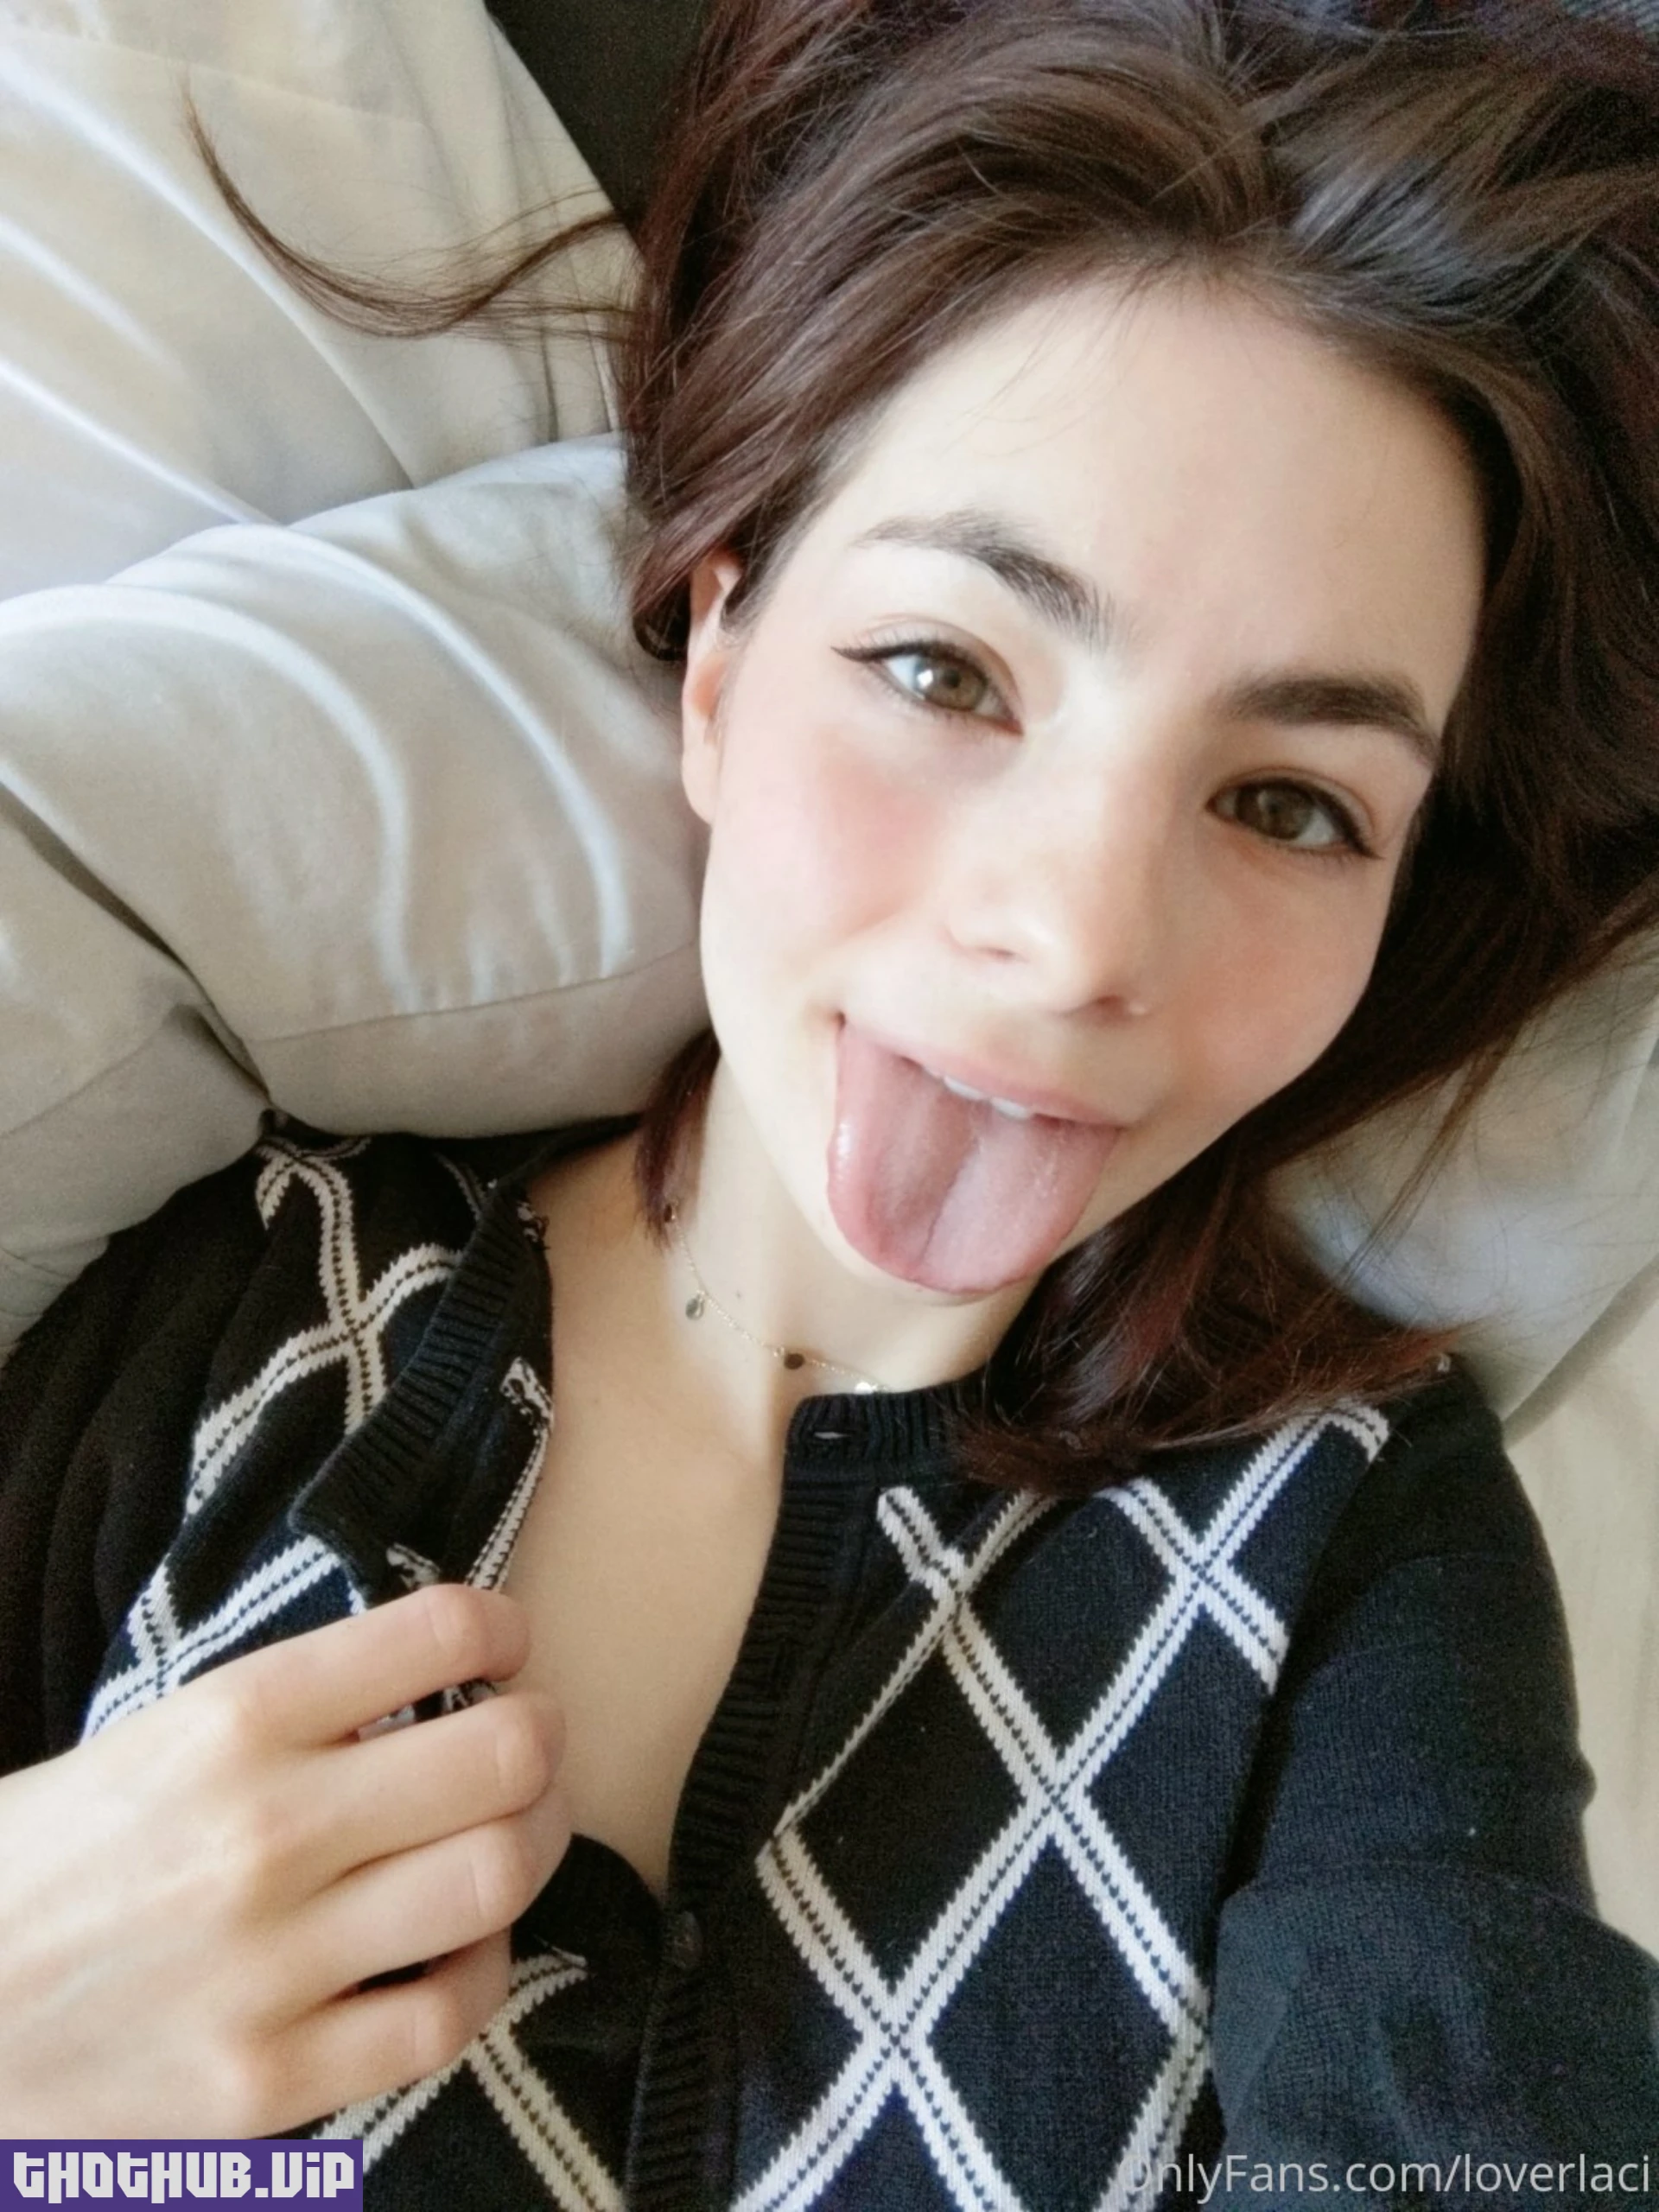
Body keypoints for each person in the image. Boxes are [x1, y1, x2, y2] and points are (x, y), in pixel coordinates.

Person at [2, 0, 1658, 2199]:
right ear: (716, 655)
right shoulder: (212, 1306)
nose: (1077, 935)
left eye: (1289, 801)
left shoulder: (1346, 1537)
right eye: (945, 669)